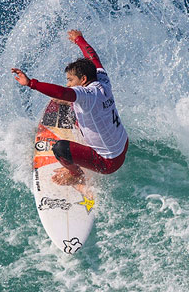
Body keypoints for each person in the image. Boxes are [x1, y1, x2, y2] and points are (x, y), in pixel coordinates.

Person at [11, 30, 129, 185]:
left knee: (60, 149)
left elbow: (62, 92)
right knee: (74, 105)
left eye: (71, 80)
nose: (68, 84)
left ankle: (75, 175)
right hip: (122, 144)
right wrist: (79, 39)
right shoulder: (102, 79)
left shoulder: (88, 94)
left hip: (107, 163)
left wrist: (31, 83)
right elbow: (93, 58)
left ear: (84, 79)